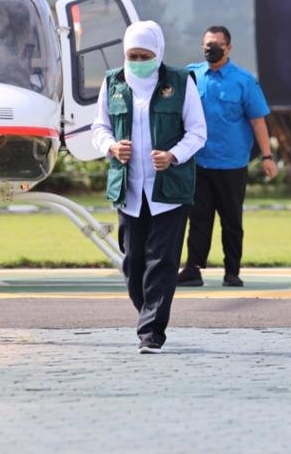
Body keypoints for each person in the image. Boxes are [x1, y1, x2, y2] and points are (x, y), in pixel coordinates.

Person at [90, 20, 207, 354]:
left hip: (169, 191)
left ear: (158, 54)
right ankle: (148, 312)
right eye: (132, 55)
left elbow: (198, 132)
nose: (138, 61)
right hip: (129, 190)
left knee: (162, 261)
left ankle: (152, 332)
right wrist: (111, 146)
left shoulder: (182, 83)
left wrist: (173, 155)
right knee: (133, 263)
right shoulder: (113, 83)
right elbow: (99, 127)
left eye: (144, 55)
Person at [177, 26, 278, 288]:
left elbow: (258, 121)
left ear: (229, 47)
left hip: (232, 164)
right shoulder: (191, 75)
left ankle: (232, 271)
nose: (211, 48)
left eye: (217, 44)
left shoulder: (243, 80)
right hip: (198, 161)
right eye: (207, 44)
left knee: (232, 220)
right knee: (198, 218)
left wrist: (267, 156)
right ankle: (193, 268)